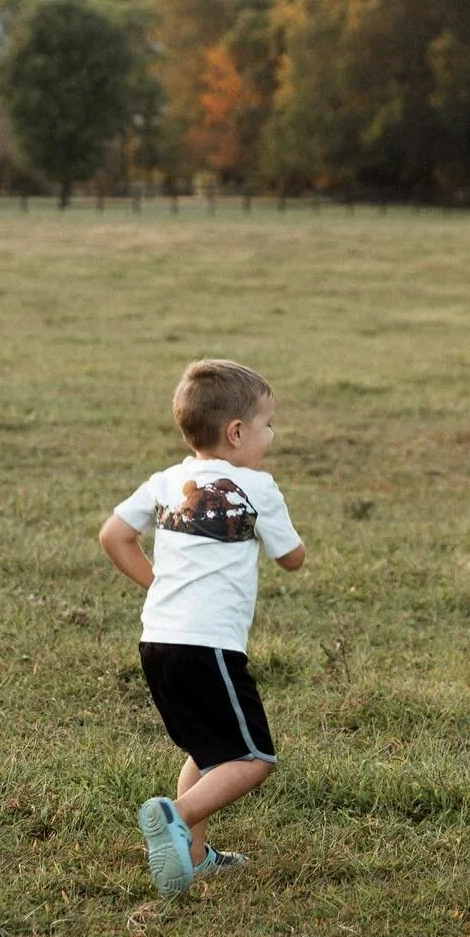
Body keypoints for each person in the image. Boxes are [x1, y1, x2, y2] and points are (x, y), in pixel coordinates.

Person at [99, 359, 305, 898]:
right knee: (253, 758)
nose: (272, 435)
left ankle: (192, 856)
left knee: (208, 748)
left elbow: (113, 536)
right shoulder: (257, 486)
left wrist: (157, 584)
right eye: (267, 424)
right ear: (237, 433)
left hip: (157, 641)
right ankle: (175, 814)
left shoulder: (166, 481)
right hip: (208, 647)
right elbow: (292, 559)